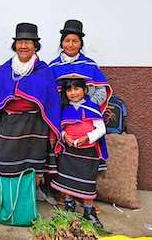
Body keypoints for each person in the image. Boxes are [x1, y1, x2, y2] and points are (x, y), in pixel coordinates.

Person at [0, 23, 61, 185]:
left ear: (35, 46)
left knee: (32, 166)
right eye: (20, 42)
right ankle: (5, 200)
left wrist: (53, 133)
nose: (24, 46)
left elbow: (52, 105)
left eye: (28, 42)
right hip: (8, 124)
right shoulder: (6, 69)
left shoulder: (43, 71)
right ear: (15, 46)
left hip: (36, 126)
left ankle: (28, 201)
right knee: (3, 163)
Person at [50, 78, 106, 228]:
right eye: (69, 90)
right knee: (67, 180)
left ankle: (88, 211)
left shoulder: (92, 107)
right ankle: (69, 207)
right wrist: (64, 136)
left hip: (87, 153)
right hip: (68, 152)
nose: (73, 93)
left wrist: (87, 137)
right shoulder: (64, 110)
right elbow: (60, 129)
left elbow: (101, 129)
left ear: (84, 90)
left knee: (87, 183)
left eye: (77, 89)